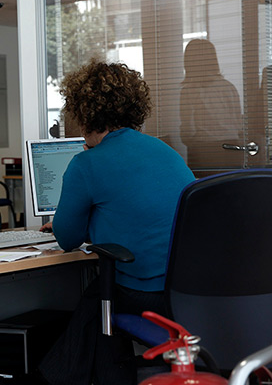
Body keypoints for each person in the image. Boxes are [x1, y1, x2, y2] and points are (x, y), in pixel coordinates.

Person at [36, 61, 195, 385]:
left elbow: (67, 238)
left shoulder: (87, 164)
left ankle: (55, 379)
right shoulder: (167, 152)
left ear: (84, 112)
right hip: (189, 290)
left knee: (95, 301)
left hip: (145, 291)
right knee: (96, 302)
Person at [180, 38, 243, 169]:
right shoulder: (228, 87)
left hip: (204, 150)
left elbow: (189, 129)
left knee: (206, 189)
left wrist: (187, 140)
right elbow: (238, 122)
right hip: (233, 148)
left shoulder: (189, 91)